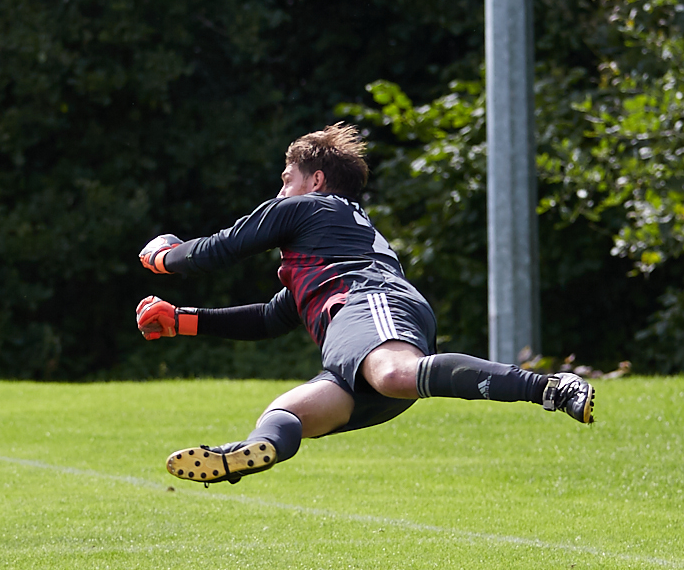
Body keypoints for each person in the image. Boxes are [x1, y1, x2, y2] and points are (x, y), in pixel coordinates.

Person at [134, 122, 593, 486]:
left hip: (369, 303)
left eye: (286, 180)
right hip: (355, 341)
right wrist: (182, 321)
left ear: (316, 181)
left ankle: (550, 387)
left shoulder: (313, 208)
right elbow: (272, 318)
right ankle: (250, 451)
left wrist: (164, 257)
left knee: (394, 373)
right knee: (288, 411)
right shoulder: (330, 241)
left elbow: (222, 246)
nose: (279, 193)